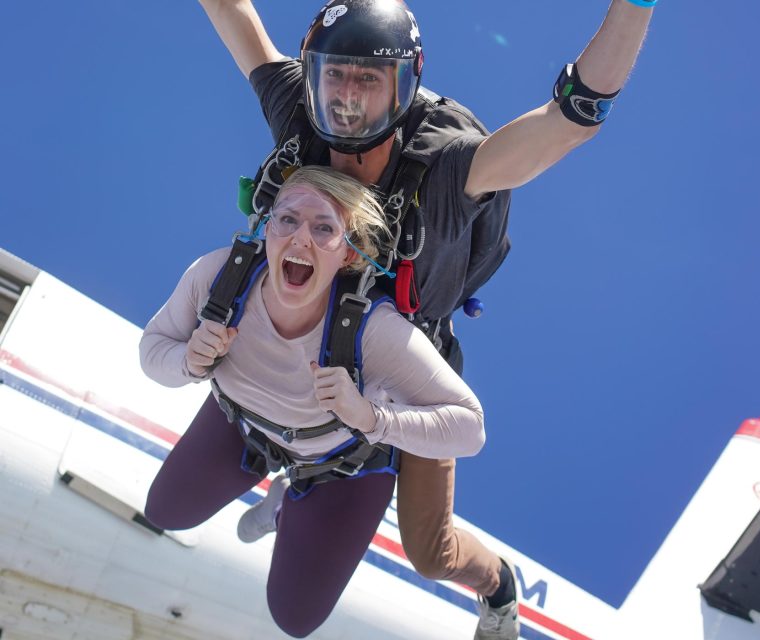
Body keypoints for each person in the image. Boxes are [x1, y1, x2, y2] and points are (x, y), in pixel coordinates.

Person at [194, 1, 656, 638]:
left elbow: (566, 123)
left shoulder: (446, 171)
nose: (347, 101)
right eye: (336, 78)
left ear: (404, 88)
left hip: (398, 365)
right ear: (314, 73)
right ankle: (296, 472)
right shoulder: (302, 114)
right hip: (305, 340)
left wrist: (635, 9)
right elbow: (230, 12)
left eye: (369, 81)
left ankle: (498, 587)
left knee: (428, 550)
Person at [141, 166, 486, 638]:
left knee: (294, 616)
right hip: (242, 426)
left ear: (348, 253)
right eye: (287, 220)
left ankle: (286, 504)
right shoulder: (220, 278)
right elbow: (152, 350)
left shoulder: (375, 332)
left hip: (341, 463)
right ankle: (268, 477)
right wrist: (187, 359)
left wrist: (371, 417)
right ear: (266, 230)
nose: (300, 237)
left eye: (323, 227)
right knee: (165, 511)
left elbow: (470, 428)